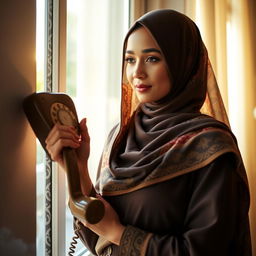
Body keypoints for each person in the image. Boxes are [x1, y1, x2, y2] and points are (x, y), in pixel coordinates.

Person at [45, 9, 252, 256]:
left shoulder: (211, 146)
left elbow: (204, 250)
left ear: (182, 62)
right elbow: (101, 243)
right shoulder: (120, 135)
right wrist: (76, 171)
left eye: (152, 58)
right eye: (130, 59)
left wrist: (118, 232)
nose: (137, 73)